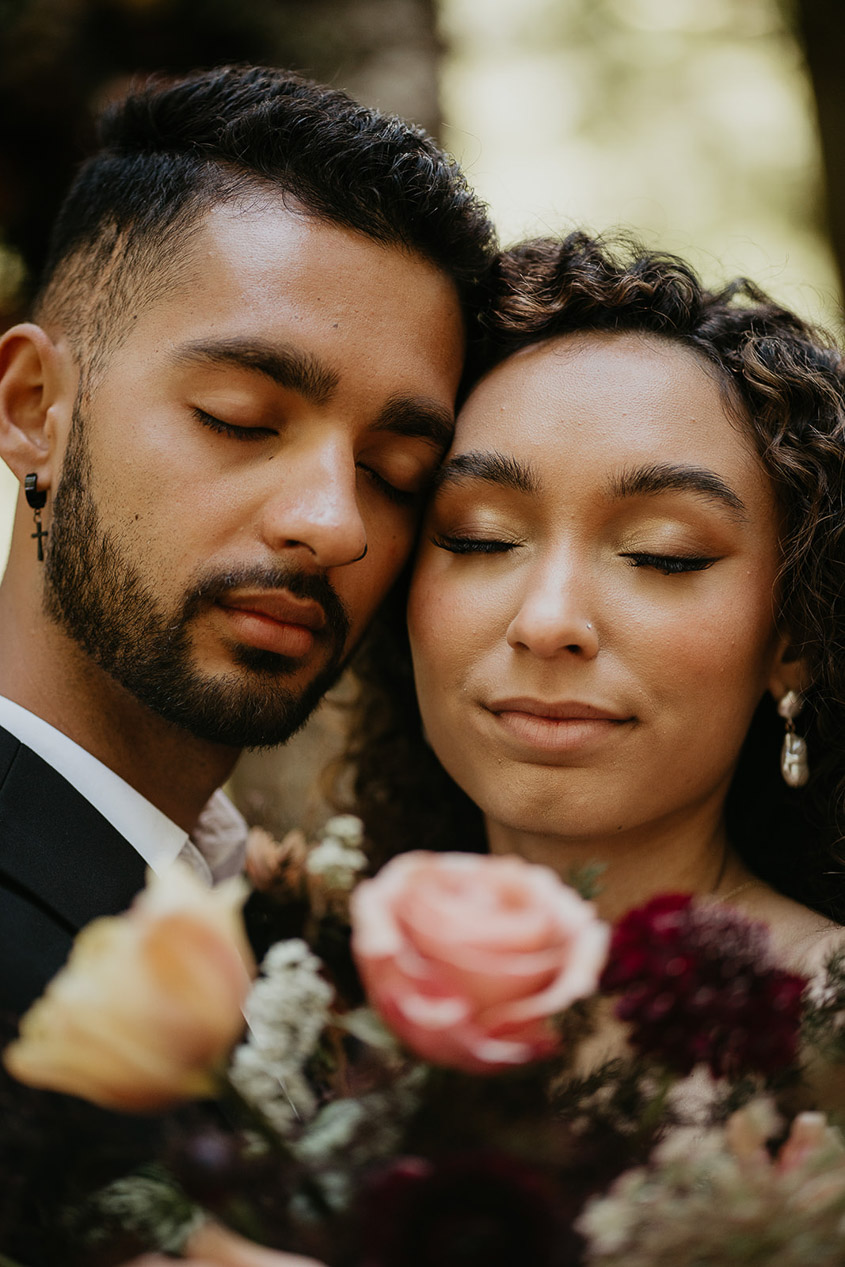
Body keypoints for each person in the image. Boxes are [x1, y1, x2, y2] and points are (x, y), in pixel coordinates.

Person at [0, 63, 495, 1018]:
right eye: (240, 419)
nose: (332, 524)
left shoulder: (294, 931)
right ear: (33, 410)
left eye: (394, 473)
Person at [348, 231, 845, 978]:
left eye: (661, 555)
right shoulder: (282, 997)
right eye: (479, 539)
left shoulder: (825, 1031)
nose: (547, 622)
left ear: (792, 636)